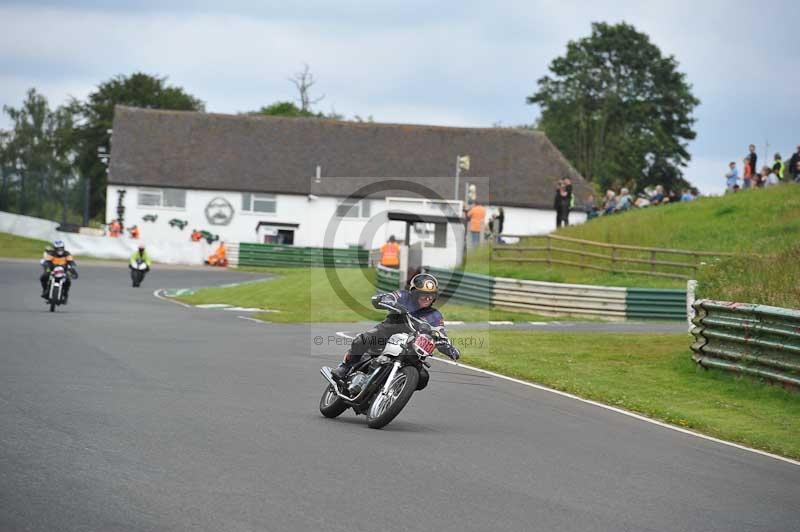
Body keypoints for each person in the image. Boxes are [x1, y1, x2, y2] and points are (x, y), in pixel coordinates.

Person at [330, 273, 460, 381]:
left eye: (431, 295)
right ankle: (345, 367)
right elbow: (389, 297)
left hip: (411, 348)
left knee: (423, 378)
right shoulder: (403, 296)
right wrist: (388, 301)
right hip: (387, 333)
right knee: (362, 340)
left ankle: (397, 388)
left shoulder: (435, 315)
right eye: (423, 294)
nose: (427, 298)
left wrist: (449, 347)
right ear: (414, 293)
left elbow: (441, 334)